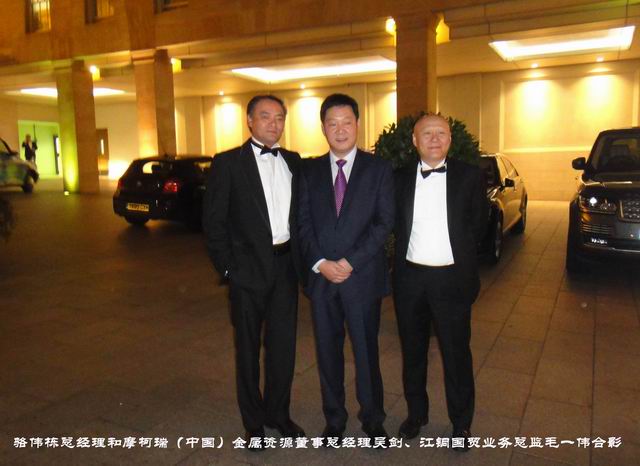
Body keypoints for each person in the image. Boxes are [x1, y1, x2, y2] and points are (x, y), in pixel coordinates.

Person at [202, 95, 304, 450]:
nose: (273, 124)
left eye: (279, 118)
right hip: (247, 271)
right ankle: (254, 424)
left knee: (283, 349)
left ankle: (278, 413)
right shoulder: (228, 163)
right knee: (247, 351)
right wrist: (229, 269)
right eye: (265, 116)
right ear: (249, 120)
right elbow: (213, 223)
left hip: (286, 267)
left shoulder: (293, 161)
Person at [298, 93, 394, 446]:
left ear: (358, 124)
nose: (340, 130)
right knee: (327, 353)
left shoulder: (379, 169)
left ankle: (373, 420)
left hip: (362, 278)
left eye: (347, 122)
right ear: (323, 128)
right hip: (322, 279)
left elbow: (384, 223)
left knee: (366, 353)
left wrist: (350, 261)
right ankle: (334, 421)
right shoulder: (308, 171)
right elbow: (301, 223)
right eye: (332, 123)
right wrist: (320, 263)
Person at [392, 113, 488, 451]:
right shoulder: (399, 178)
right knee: (413, 352)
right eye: (427, 133)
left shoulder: (470, 176)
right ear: (414, 141)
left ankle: (461, 424)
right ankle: (416, 414)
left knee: (456, 354)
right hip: (410, 280)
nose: (434, 139)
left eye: (441, 133)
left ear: (450, 139)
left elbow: (478, 225)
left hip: (452, 279)